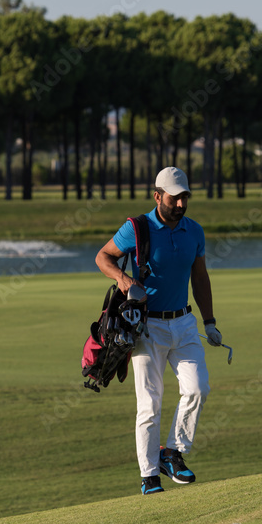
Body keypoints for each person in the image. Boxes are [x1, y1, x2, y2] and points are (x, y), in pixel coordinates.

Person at [94, 166, 222, 495]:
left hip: (184, 323)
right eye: (174, 198)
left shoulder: (194, 231)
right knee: (150, 404)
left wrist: (209, 322)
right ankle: (149, 476)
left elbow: (200, 277)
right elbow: (103, 256)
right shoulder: (137, 228)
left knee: (197, 388)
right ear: (157, 196)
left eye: (185, 198)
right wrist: (123, 279)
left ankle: (172, 452)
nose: (181, 204)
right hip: (147, 326)